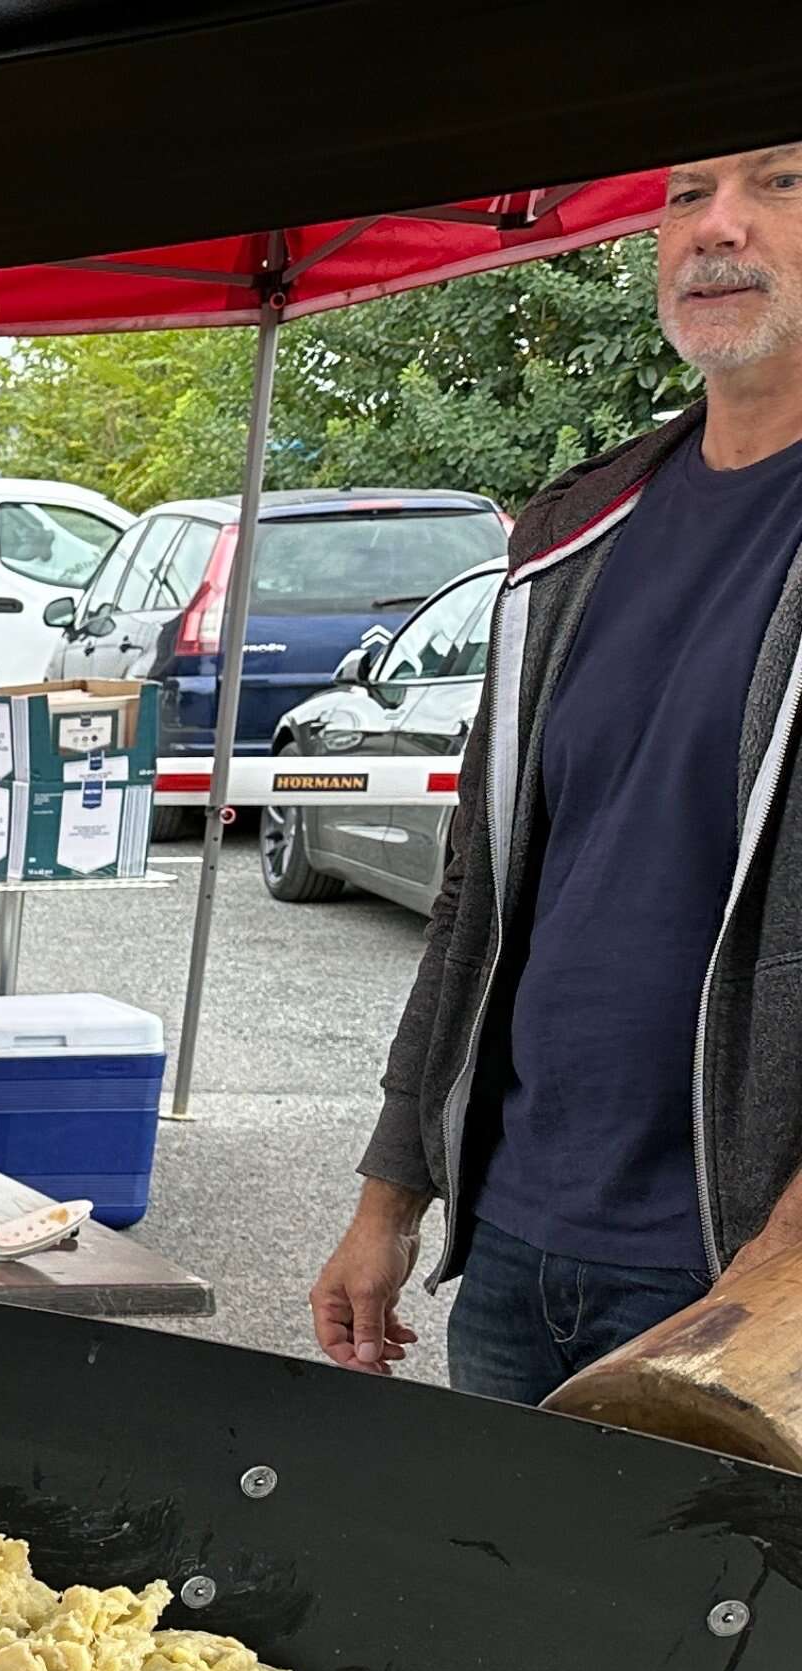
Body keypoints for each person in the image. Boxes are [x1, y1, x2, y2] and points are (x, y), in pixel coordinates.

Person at [313, 147, 802, 1404]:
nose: (717, 228)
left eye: (783, 184)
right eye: (686, 195)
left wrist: (787, 1257)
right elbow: (479, 896)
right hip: (522, 1246)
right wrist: (390, 1196)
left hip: (748, 1273)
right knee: (497, 1597)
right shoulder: (578, 531)